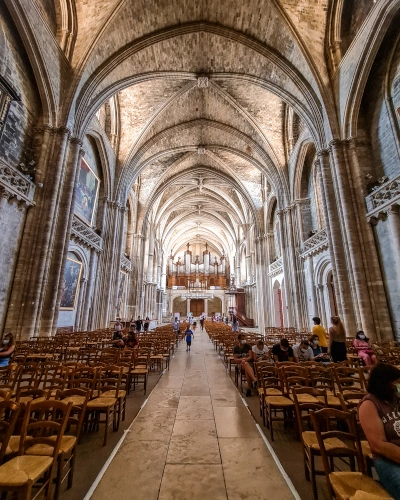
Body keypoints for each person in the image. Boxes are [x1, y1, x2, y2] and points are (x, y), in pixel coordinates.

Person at [358, 363, 400, 500]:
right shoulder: (369, 404)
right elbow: (378, 445)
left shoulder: (396, 400)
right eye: (396, 383)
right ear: (385, 383)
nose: (398, 386)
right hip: (387, 459)